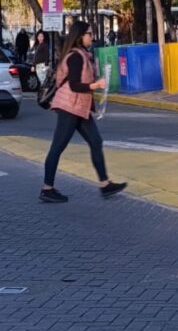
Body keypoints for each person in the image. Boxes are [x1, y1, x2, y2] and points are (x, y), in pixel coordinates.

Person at [40, 20, 127, 204]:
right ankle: (47, 189)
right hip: (69, 107)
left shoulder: (83, 55)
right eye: (89, 34)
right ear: (80, 36)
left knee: (96, 141)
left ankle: (105, 184)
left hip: (80, 107)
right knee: (58, 146)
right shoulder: (76, 57)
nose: (92, 37)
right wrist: (95, 85)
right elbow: (74, 85)